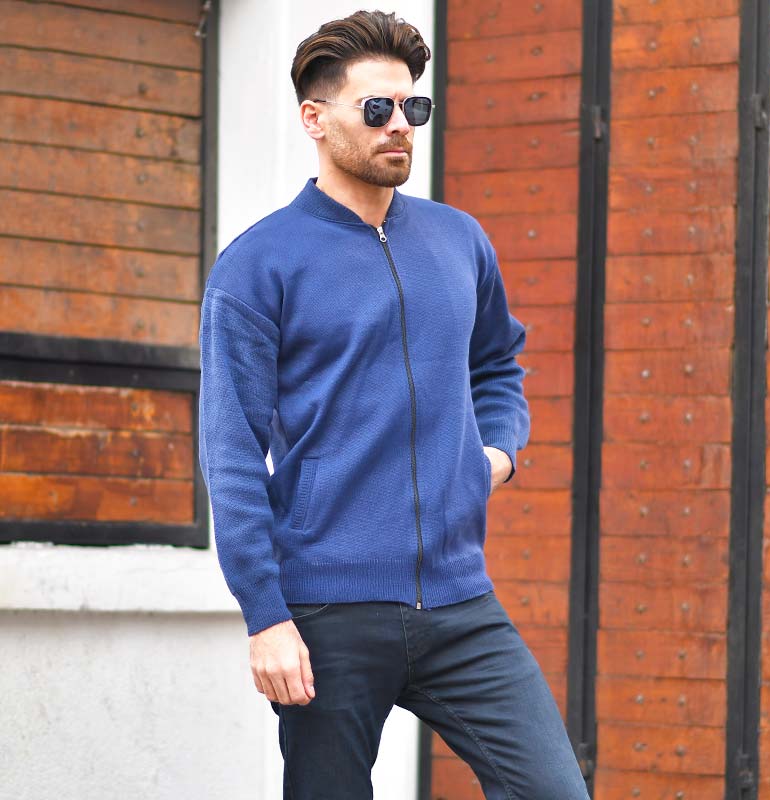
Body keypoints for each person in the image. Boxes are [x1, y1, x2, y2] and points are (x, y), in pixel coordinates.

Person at [198, 10, 590, 800]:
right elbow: (232, 450)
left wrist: (496, 453)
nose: (400, 125)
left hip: (460, 601)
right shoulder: (258, 265)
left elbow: (497, 364)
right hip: (328, 610)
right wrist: (265, 616)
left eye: (414, 106)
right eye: (376, 108)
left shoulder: (459, 240)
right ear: (315, 119)